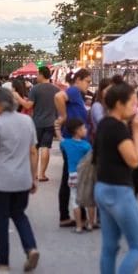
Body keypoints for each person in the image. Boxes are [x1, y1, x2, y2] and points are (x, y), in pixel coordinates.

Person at [0, 87, 40, 272]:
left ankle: (3, 261)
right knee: (19, 214)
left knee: (2, 219)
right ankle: (31, 248)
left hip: (2, 180)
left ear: (0, 104)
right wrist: (34, 177)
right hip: (22, 179)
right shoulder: (27, 121)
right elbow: (33, 151)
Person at [94, 83, 138, 274]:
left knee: (110, 247)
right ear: (119, 104)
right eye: (132, 103)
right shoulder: (118, 128)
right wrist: (136, 132)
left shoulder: (104, 124)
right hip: (119, 191)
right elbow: (134, 160)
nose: (135, 108)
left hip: (103, 187)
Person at [54, 68, 92, 227]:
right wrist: (63, 116)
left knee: (70, 177)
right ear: (78, 80)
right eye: (87, 81)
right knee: (73, 177)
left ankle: (71, 215)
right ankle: (72, 215)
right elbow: (58, 96)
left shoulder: (78, 94)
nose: (88, 85)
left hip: (73, 140)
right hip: (72, 142)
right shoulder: (74, 91)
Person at [15, 66, 58, 183]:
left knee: (35, 148)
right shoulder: (56, 89)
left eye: (38, 74)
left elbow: (28, 105)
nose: (36, 76)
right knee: (46, 147)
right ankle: (42, 174)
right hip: (51, 122)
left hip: (37, 122)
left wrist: (18, 97)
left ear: (42, 74)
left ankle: (33, 174)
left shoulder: (35, 89)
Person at [60, 118, 96, 233]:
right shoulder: (87, 146)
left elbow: (61, 141)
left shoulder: (65, 144)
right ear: (78, 130)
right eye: (84, 128)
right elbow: (92, 160)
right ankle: (90, 224)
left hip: (72, 176)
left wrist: (57, 127)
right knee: (89, 200)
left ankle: (79, 226)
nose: (86, 130)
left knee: (74, 200)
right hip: (85, 175)